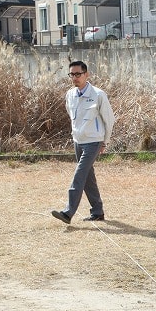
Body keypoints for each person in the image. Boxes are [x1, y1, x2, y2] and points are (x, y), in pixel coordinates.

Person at [51, 60, 115, 224]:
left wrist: (105, 142)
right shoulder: (70, 95)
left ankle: (68, 212)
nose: (75, 78)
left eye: (78, 74)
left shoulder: (98, 94)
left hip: (94, 142)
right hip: (78, 141)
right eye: (72, 74)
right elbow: (71, 116)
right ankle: (98, 211)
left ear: (87, 74)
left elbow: (109, 119)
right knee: (87, 178)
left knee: (79, 175)